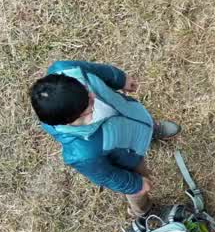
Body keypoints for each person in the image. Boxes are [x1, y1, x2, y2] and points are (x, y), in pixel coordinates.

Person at [30, 61, 180, 217]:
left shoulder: (66, 70)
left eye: (87, 91)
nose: (93, 95)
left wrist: (120, 79)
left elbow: (95, 70)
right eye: (89, 104)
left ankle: (151, 130)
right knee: (140, 187)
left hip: (130, 115)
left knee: (141, 120)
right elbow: (107, 175)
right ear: (71, 120)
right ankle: (143, 211)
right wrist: (135, 185)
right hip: (129, 156)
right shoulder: (83, 153)